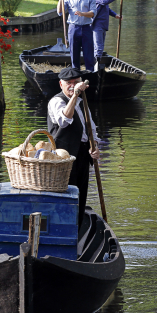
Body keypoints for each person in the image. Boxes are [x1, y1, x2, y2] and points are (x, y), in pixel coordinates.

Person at [47, 67, 101, 224]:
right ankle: (63, 229)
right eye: (68, 83)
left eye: (76, 83)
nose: (72, 86)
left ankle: (76, 231)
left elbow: (90, 129)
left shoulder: (82, 102)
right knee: (66, 196)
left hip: (83, 155)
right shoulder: (56, 101)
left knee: (80, 196)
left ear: (82, 83)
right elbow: (64, 120)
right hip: (64, 158)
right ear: (60, 84)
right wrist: (76, 94)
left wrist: (94, 146)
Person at [58, 0, 97, 72]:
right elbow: (60, 12)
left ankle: (90, 74)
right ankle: (75, 74)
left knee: (88, 54)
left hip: (87, 28)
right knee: (74, 54)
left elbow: (93, 13)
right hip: (73, 28)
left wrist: (82, 13)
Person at [91, 0, 124, 68]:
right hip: (97, 24)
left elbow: (106, 8)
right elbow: (104, 2)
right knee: (98, 47)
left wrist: (115, 15)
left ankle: (97, 65)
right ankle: (95, 67)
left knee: (100, 46)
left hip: (103, 24)